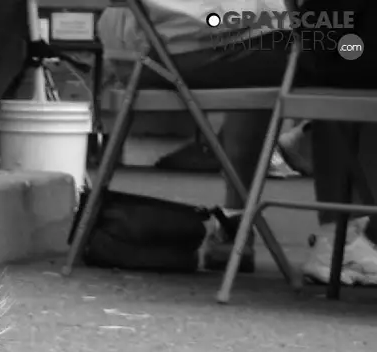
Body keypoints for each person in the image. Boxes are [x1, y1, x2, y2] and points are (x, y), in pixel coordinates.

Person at [100, 2, 377, 283]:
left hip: (153, 42)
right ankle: (341, 238)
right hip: (180, 44)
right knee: (344, 55)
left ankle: (331, 229)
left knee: (339, 45)